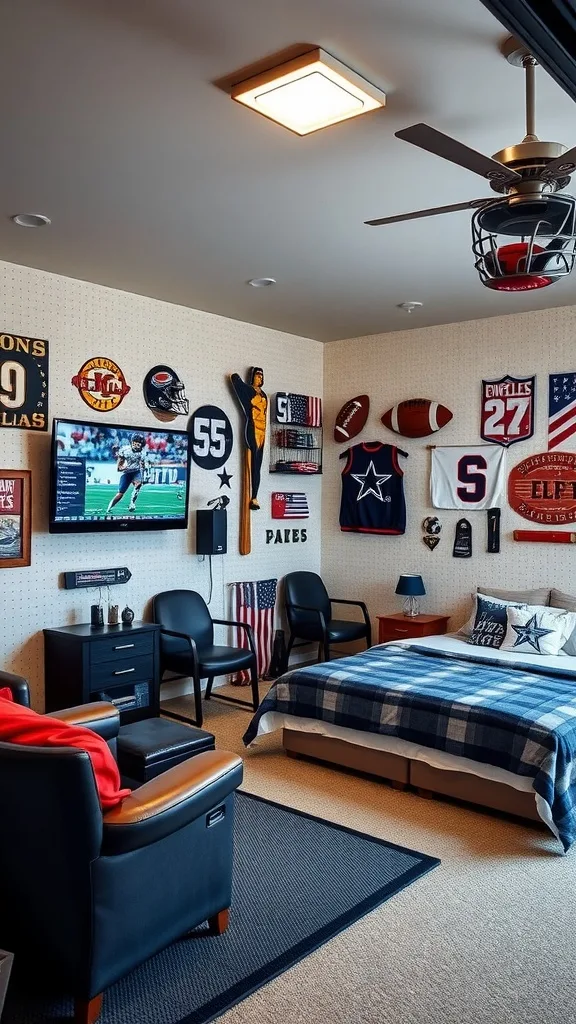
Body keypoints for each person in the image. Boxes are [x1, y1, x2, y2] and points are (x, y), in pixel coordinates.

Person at [230, 367, 267, 509]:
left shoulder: (263, 393)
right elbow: (235, 378)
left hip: (262, 431)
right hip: (252, 427)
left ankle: (255, 496)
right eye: (258, 375)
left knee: (258, 464)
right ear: (252, 376)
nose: (260, 378)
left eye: (262, 376)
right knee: (252, 462)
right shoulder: (248, 391)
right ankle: (252, 496)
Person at [105, 433, 148, 514]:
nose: (137, 446)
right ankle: (109, 507)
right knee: (120, 494)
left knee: (138, 484)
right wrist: (121, 467)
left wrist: (144, 473)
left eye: (139, 444)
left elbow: (143, 465)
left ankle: (132, 503)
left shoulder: (142, 453)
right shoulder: (125, 450)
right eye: (135, 443)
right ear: (132, 442)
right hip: (127, 472)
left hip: (136, 471)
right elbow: (119, 464)